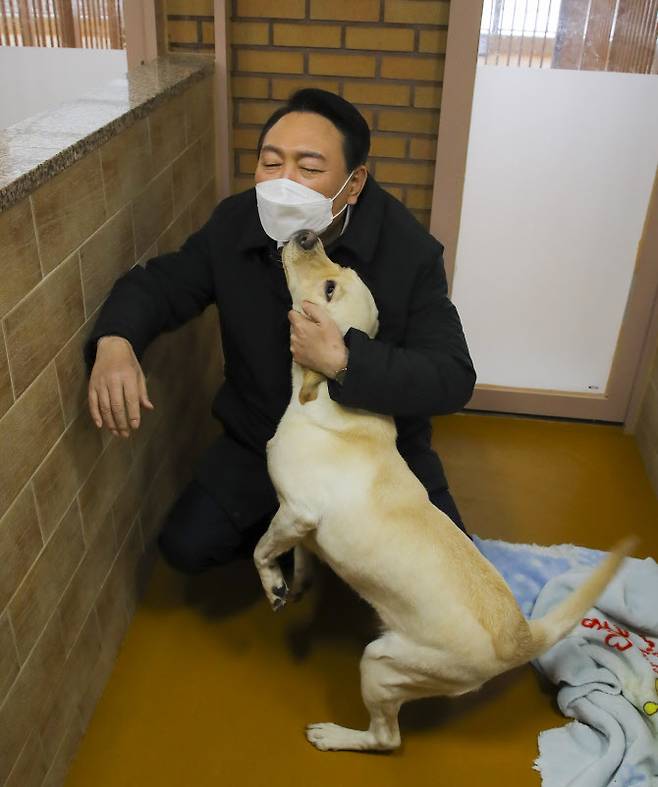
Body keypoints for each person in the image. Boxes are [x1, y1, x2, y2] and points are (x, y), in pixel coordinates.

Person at [84, 89, 476, 575]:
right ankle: (304, 538)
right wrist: (116, 341)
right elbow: (164, 283)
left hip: (375, 455)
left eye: (309, 169)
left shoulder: (407, 252)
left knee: (452, 580)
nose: (284, 182)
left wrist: (346, 362)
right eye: (271, 163)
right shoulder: (236, 223)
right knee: (188, 545)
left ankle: (335, 544)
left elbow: (453, 376)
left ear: (354, 184)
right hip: (266, 438)